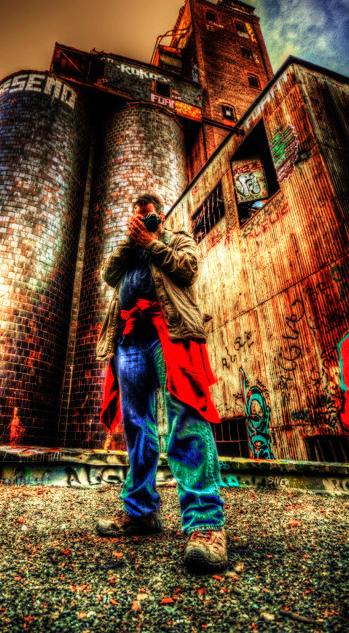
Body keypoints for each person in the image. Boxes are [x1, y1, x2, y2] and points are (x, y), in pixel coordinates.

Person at [96, 193, 227, 572]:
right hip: (128, 339)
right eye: (139, 218)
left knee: (187, 415)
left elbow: (188, 269)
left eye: (150, 217)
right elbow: (107, 275)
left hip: (167, 332)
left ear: (162, 217)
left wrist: (153, 242)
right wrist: (131, 240)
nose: (145, 222)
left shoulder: (176, 238)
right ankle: (140, 512)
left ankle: (204, 523)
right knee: (137, 425)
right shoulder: (127, 253)